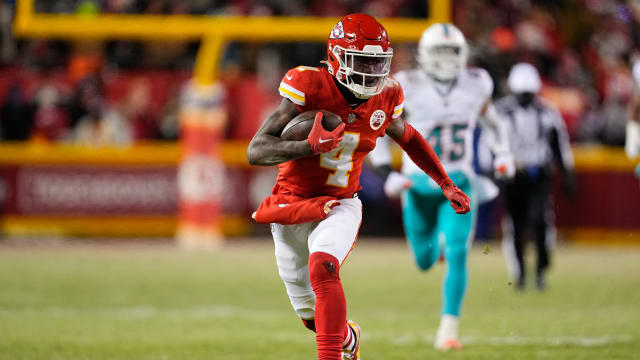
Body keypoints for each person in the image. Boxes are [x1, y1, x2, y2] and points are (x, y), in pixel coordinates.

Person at [247, 14, 471, 360]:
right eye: (361, 60)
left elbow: (410, 139)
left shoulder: (386, 96)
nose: (370, 70)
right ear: (337, 57)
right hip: (292, 202)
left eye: (376, 61)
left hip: (340, 203)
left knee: (323, 265)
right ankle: (348, 339)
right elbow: (256, 150)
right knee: (311, 317)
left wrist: (445, 183)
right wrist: (307, 146)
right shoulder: (308, 86)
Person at [368, 23, 514, 351]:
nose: (447, 60)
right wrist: (385, 172)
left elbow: (493, 122)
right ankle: (439, 245)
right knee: (423, 259)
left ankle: (448, 329)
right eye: (441, 52)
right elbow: (375, 129)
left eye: (452, 52)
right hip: (418, 185)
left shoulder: (477, 84)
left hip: (459, 181)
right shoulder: (405, 85)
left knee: (460, 252)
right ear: (425, 55)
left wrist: (503, 152)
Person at [495, 62, 574, 291]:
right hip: (512, 175)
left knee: (540, 220)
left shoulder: (547, 111)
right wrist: (494, 171)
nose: (526, 99)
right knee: (515, 225)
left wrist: (567, 171)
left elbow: (560, 142)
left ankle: (540, 270)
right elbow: (491, 143)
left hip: (539, 172)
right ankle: (518, 273)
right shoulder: (501, 112)